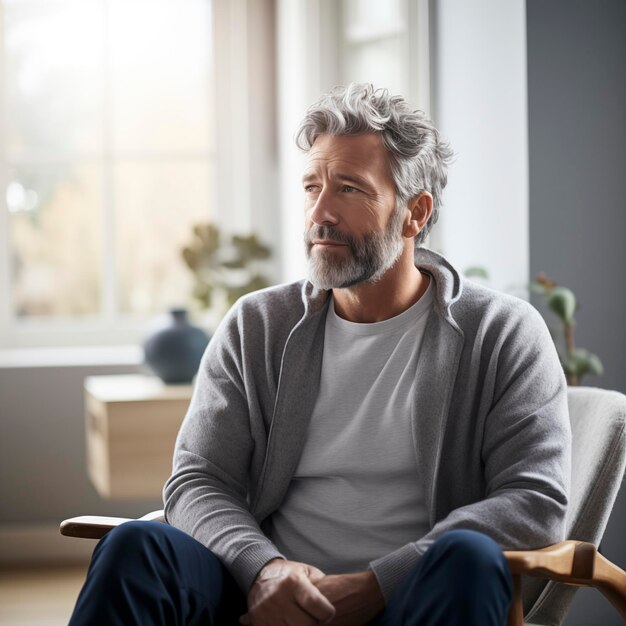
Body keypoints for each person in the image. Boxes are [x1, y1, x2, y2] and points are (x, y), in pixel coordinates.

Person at [69, 84, 571, 626]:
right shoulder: (257, 325)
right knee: (136, 545)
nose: (320, 213)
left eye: (350, 189)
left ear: (414, 213)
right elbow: (197, 479)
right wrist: (264, 570)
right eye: (312, 186)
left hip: (414, 602)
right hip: (262, 603)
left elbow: (534, 502)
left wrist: (380, 582)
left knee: (470, 560)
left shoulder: (502, 333)